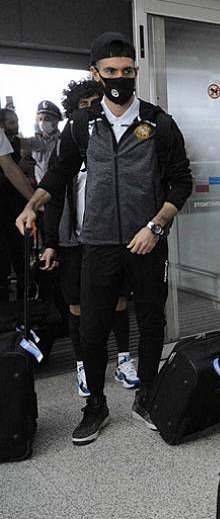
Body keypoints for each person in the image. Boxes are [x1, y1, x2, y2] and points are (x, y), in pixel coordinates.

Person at [16, 32, 193, 446]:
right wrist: (32, 206)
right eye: (111, 71)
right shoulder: (81, 124)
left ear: (136, 72)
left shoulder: (158, 123)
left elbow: (181, 183)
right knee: (92, 329)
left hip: (147, 241)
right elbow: (58, 175)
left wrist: (156, 226)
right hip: (96, 243)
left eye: (128, 71)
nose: (120, 78)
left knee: (151, 322)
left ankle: (146, 396)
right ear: (95, 73)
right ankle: (95, 404)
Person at [40, 79, 137, 398]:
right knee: (78, 305)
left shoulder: (118, 142)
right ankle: (83, 364)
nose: (93, 112)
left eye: (98, 104)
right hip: (75, 240)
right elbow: (54, 196)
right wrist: (51, 242)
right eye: (85, 107)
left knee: (119, 300)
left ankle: (124, 359)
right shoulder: (64, 146)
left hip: (111, 238)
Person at [0, 110, 35, 301]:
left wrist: (34, 201)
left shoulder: (11, 140)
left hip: (11, 205)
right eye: (11, 122)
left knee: (15, 250)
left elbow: (10, 168)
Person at [21, 100, 63, 184]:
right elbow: (18, 144)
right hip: (40, 188)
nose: (42, 122)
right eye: (40, 119)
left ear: (56, 120)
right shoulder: (35, 141)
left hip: (59, 188)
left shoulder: (64, 141)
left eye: (47, 118)